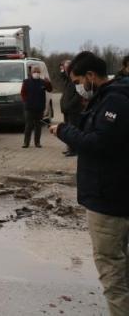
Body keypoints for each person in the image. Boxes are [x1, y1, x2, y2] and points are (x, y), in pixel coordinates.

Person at [51, 51, 129, 315]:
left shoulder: (114, 102)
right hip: (114, 193)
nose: (77, 87)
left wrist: (63, 131)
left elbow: (97, 143)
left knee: (112, 272)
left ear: (91, 76)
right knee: (121, 267)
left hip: (109, 198)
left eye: (77, 81)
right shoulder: (109, 97)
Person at [20, 66, 52, 148]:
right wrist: (26, 101)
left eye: (38, 72)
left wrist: (48, 83)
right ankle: (26, 143)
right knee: (28, 126)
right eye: (35, 71)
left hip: (39, 107)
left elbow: (50, 89)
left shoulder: (42, 82)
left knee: (38, 126)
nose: (36, 73)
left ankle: (37, 142)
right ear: (31, 73)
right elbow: (23, 93)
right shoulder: (26, 82)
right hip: (29, 108)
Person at [59, 60, 84, 157]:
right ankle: (69, 148)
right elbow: (63, 77)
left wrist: (69, 105)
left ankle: (74, 149)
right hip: (66, 110)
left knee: (73, 129)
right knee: (67, 130)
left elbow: (78, 95)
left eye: (67, 68)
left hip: (73, 110)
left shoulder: (76, 78)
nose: (65, 70)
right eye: (64, 68)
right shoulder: (67, 78)